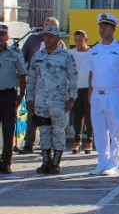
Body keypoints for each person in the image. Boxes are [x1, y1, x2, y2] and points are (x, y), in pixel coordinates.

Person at [26, 24, 77, 175]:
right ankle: (46, 161)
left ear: (58, 38)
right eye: (46, 36)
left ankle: (56, 162)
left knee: (58, 131)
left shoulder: (66, 56)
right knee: (44, 131)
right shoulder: (38, 56)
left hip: (59, 101)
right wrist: (30, 98)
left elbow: (73, 77)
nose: (48, 39)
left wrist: (72, 97)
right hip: (41, 101)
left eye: (51, 36)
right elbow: (32, 79)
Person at [87, 13, 119, 176]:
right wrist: (90, 92)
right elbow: (91, 72)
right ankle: (102, 161)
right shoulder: (94, 49)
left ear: (113, 29)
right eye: (101, 26)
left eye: (105, 26)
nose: (102, 29)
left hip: (114, 94)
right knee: (99, 131)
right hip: (97, 94)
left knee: (115, 131)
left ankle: (113, 163)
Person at [19, 15, 64, 154]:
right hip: (35, 83)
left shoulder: (60, 43)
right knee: (32, 113)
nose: (48, 26)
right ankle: (29, 143)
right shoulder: (33, 39)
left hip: (53, 86)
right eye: (46, 23)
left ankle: (49, 146)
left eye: (52, 25)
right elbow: (21, 58)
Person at [0, 24, 27, 174]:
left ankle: (6, 162)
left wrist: (21, 94)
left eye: (2, 35)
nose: (0, 37)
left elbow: (22, 74)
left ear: (7, 37)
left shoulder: (14, 53)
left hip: (8, 95)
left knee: (8, 130)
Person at [69, 29, 93, 154]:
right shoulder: (70, 53)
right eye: (76, 41)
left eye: (80, 40)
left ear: (86, 40)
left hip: (88, 88)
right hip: (75, 88)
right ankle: (77, 140)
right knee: (77, 116)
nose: (78, 43)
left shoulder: (92, 52)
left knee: (89, 116)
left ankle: (89, 140)